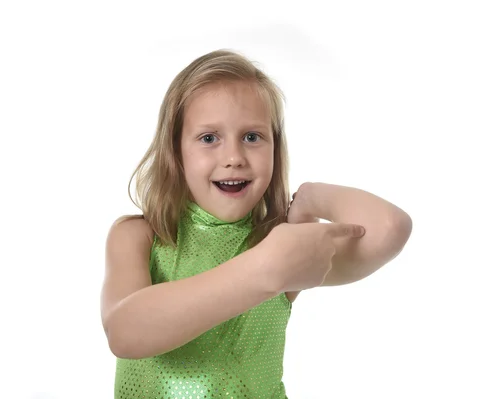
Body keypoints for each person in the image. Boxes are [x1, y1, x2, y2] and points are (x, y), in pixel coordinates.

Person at [100, 49, 412, 398]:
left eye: (252, 137)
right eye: (209, 138)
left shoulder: (284, 244)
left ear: (275, 149)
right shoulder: (140, 236)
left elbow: (388, 227)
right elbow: (125, 333)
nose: (233, 158)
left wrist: (312, 198)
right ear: (177, 151)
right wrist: (266, 270)